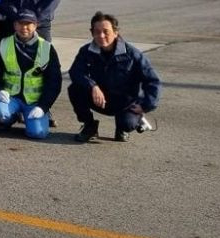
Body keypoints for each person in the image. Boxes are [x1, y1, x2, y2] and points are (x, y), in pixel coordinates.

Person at [68, 11, 161, 142]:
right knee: (75, 89)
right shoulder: (86, 51)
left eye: (106, 31)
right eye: (97, 32)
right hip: (101, 99)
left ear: (116, 32)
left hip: (125, 102)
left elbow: (152, 81)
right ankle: (90, 126)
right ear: (92, 33)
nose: (101, 35)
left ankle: (124, 127)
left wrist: (145, 105)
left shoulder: (132, 54)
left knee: (127, 124)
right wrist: (93, 86)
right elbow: (75, 72)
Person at [0, 10, 62, 139]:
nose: (24, 27)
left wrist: (43, 107)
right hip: (11, 98)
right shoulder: (4, 44)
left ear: (35, 25)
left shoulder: (46, 48)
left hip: (34, 102)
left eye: (28, 24)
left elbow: (54, 82)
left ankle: (31, 119)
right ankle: (12, 117)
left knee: (38, 133)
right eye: (21, 23)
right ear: (15, 25)